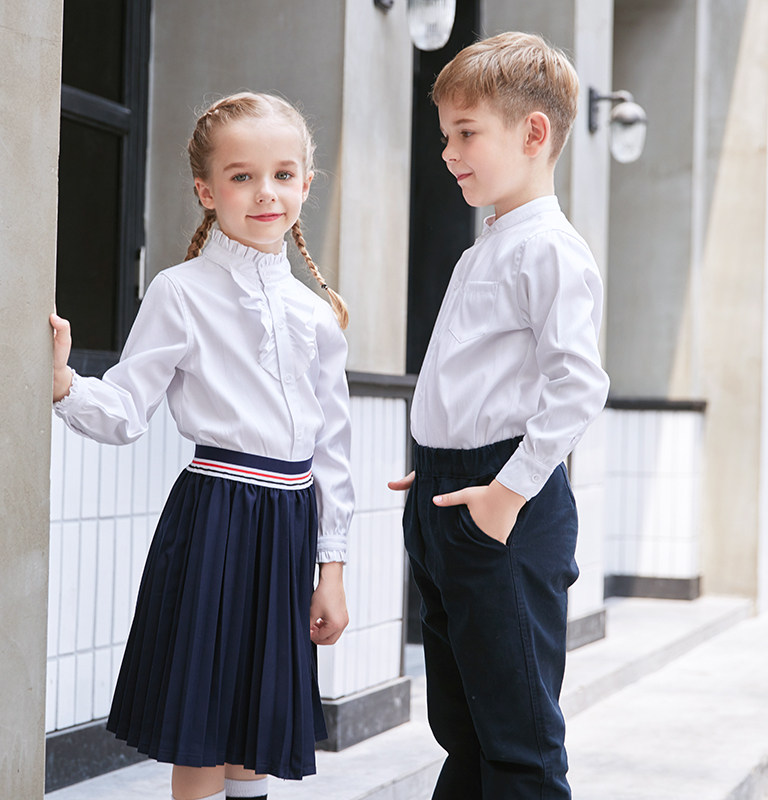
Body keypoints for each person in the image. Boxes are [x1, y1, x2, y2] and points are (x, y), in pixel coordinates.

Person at [51, 92, 354, 800]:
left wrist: (331, 569)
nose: (265, 192)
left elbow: (333, 450)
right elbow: (126, 409)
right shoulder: (179, 292)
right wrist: (65, 384)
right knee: (207, 727)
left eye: (284, 174)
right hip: (215, 517)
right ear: (206, 189)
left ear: (306, 185)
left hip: (289, 525)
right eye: (242, 176)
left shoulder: (317, 315)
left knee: (257, 726)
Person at [389, 32, 610, 799]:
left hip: (502, 504)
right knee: (465, 731)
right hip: (451, 490)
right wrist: (443, 459)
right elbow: (483, 378)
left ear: (534, 132)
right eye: (445, 133)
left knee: (517, 739)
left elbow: (578, 385)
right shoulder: (484, 245)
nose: (449, 152)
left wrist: (504, 488)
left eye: (466, 133)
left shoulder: (549, 248)